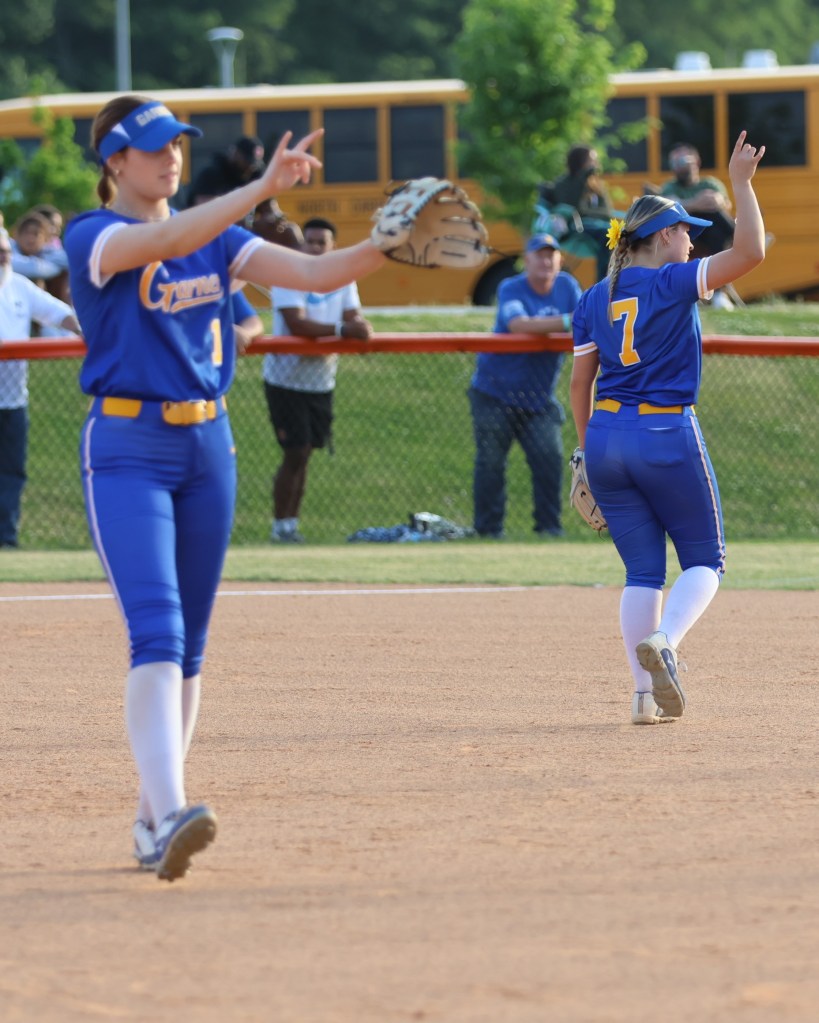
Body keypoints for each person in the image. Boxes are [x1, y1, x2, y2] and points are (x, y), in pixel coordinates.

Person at [63, 95, 385, 882]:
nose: (170, 156)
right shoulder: (92, 235)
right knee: (157, 630)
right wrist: (261, 188)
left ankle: (152, 819)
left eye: (177, 143)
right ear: (114, 161)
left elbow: (314, 273)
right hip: (129, 447)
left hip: (208, 446)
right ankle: (172, 811)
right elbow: (167, 239)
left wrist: (388, 243)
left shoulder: (218, 238)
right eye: (153, 147)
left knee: (192, 643)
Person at [569, 131, 765, 726]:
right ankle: (667, 643)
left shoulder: (591, 298)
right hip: (665, 434)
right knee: (705, 559)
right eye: (685, 231)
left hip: (606, 437)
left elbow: (579, 386)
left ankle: (643, 698)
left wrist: (584, 451)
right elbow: (751, 253)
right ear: (659, 237)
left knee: (642, 573)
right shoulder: (671, 281)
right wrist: (741, 185)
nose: (691, 241)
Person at [262, 216, 373, 544]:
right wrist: (343, 330)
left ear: (333, 246)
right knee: (295, 452)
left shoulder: (343, 278)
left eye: (321, 242)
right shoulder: (287, 275)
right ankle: (280, 526)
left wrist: (359, 326)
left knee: (306, 453)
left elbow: (353, 316)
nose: (314, 248)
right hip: (286, 380)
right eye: (308, 241)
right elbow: (296, 324)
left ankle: (291, 526)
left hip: (321, 379)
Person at [469, 233, 581, 539]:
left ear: (559, 260)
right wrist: (569, 322)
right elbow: (518, 324)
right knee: (491, 462)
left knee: (549, 457)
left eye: (551, 254)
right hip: (494, 392)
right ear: (526, 260)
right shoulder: (511, 287)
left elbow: (588, 319)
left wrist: (576, 320)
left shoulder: (567, 287)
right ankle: (488, 532)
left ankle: (549, 530)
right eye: (539, 255)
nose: (545, 261)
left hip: (538, 398)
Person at [0, 228, 80, 548]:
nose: (4, 257)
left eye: (6, 251)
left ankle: (6, 539)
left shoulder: (19, 285)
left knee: (12, 471)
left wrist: (89, 330)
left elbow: (59, 313)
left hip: (13, 401)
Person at [660, 143, 736, 308]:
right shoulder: (669, 187)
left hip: (713, 234)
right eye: (674, 163)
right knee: (708, 215)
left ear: (696, 161)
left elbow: (725, 205)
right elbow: (668, 209)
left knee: (715, 224)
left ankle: (718, 294)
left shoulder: (711, 184)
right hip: (685, 235)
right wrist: (696, 203)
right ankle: (739, 236)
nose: (678, 166)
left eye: (682, 161)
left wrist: (713, 202)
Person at [550, 144, 614, 282]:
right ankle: (603, 281)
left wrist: (591, 214)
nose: (596, 164)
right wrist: (581, 178)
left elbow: (607, 211)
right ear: (580, 161)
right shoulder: (564, 183)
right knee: (607, 234)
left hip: (598, 225)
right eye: (592, 160)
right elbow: (573, 209)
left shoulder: (596, 184)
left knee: (621, 233)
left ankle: (618, 278)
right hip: (574, 226)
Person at [186, 135, 265, 207]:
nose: (251, 167)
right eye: (247, 161)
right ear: (236, 153)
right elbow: (203, 207)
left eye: (254, 164)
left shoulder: (255, 175)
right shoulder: (213, 173)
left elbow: (266, 206)